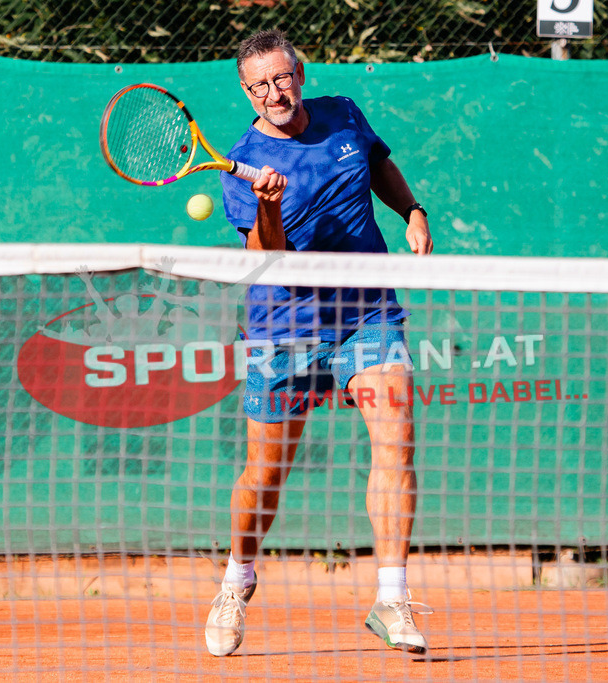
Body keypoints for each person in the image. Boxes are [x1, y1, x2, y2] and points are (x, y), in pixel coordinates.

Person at [204, 29, 434, 657]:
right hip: (285, 329)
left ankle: (391, 597)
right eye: (258, 86)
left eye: (280, 78)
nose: (272, 93)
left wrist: (410, 208)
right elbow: (268, 259)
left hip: (368, 312)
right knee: (267, 473)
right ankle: (237, 579)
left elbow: (378, 162)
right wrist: (266, 203)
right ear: (246, 93)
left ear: (299, 75)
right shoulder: (242, 163)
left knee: (397, 438)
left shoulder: (341, 113)